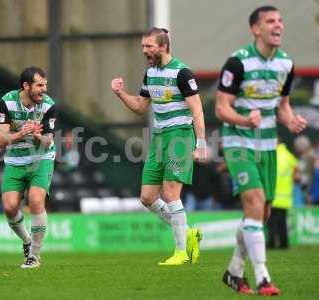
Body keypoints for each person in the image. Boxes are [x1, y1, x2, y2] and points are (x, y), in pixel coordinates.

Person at [215, 6, 307, 296]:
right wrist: (244, 119)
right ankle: (264, 277)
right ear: (256, 29)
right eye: (270, 21)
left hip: (267, 145)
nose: (278, 25)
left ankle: (233, 271)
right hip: (238, 142)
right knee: (254, 202)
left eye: (280, 20)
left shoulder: (286, 65)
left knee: (262, 213)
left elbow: (282, 106)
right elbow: (221, 107)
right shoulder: (237, 63)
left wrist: (290, 120)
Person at [111, 27, 207, 265]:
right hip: (159, 138)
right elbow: (141, 107)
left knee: (171, 193)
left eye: (149, 46)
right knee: (147, 197)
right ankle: (188, 233)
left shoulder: (182, 73)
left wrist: (201, 143)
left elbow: (197, 110)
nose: (145, 50)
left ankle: (181, 253)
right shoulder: (150, 73)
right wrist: (121, 93)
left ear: (163, 46)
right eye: (143, 46)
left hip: (180, 137)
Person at [0, 66, 56, 268]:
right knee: (9, 207)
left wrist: (39, 136)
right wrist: (21, 134)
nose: (44, 89)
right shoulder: (7, 102)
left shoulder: (49, 105)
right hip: (15, 159)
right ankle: (27, 241)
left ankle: (34, 256)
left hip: (41, 158)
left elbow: (49, 140)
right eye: (40, 85)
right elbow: (2, 140)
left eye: (45, 85)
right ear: (26, 86)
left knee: (36, 201)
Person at [267, 142, 298, 249]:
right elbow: (295, 173)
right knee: (283, 222)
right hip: (286, 196)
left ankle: (271, 243)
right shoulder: (289, 156)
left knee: (272, 222)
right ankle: (284, 244)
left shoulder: (272, 155)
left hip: (273, 194)